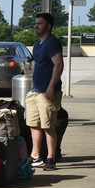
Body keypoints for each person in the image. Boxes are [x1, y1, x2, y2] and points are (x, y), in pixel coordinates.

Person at [26, 13, 64, 171]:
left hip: (47, 93)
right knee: (34, 125)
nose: (36, 26)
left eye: (40, 23)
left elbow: (59, 65)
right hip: (35, 92)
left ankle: (50, 158)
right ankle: (36, 156)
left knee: (48, 126)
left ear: (49, 26)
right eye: (35, 23)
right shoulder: (37, 44)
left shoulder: (52, 43)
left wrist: (50, 87)